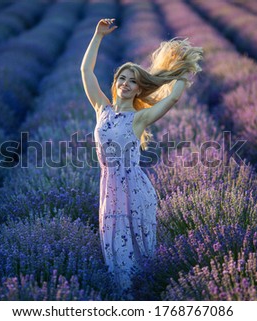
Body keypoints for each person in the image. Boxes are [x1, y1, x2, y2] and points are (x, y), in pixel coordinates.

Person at [80, 18, 203, 297]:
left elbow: (170, 100)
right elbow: (85, 70)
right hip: (109, 191)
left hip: (134, 191)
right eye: (122, 78)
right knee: (114, 251)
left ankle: (144, 299)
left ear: (138, 89)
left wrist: (183, 76)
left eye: (132, 81)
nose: (125, 83)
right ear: (115, 83)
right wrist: (97, 35)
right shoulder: (102, 109)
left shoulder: (139, 119)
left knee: (136, 252)